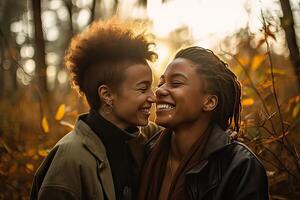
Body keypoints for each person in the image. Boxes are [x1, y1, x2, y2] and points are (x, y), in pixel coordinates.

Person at [30, 19, 160, 200]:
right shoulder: (69, 160)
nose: (153, 98)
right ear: (107, 95)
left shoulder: (147, 137)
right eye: (142, 89)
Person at [138, 46, 269, 200]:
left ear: (209, 102)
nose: (159, 91)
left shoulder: (240, 168)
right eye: (161, 84)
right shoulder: (144, 152)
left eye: (176, 83)